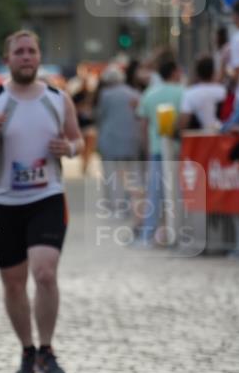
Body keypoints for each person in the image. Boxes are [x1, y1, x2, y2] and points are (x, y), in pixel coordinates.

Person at [0, 29, 83, 373]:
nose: (26, 57)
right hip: (2, 202)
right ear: (8, 59)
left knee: (45, 273)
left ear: (39, 57)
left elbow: (76, 139)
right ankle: (27, 351)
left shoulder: (58, 98)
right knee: (14, 284)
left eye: (32, 51)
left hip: (47, 197)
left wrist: (69, 150)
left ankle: (47, 349)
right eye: (20, 52)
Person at [136, 57, 183, 246]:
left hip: (156, 149)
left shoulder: (149, 94)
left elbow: (143, 124)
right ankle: (180, 231)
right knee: (179, 192)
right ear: (173, 72)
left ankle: (148, 234)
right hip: (179, 149)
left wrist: (146, 149)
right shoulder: (183, 92)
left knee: (154, 193)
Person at [95, 65, 142, 221]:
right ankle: (131, 205)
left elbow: (100, 116)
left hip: (110, 139)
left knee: (111, 175)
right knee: (131, 175)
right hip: (132, 139)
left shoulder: (105, 95)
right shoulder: (134, 93)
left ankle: (117, 206)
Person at [178, 56, 227, 131]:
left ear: (197, 73)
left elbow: (183, 123)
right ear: (214, 72)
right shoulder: (223, 91)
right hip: (222, 137)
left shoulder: (190, 94)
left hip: (199, 138)